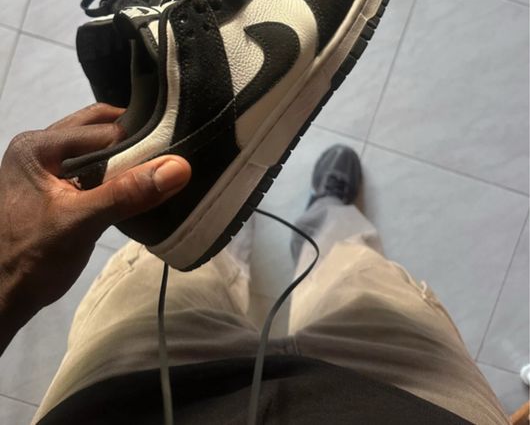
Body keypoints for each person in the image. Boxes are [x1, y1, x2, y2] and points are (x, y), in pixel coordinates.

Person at [0, 103, 509, 425]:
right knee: (357, 273)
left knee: (175, 262)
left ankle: (223, 214)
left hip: (125, 396)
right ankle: (324, 215)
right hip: (417, 402)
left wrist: (9, 275)